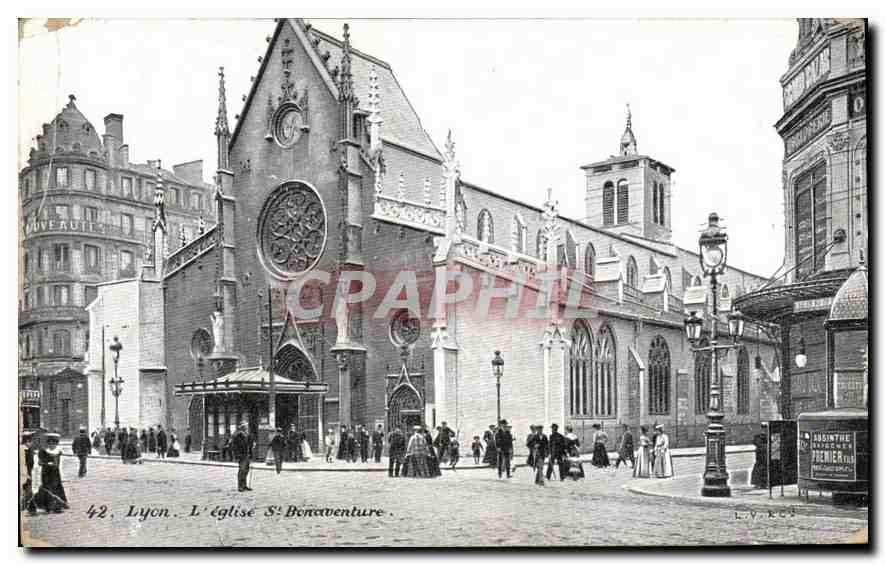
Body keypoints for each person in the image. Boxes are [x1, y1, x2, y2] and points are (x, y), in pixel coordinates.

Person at [34, 433, 68, 513]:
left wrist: (55, 465)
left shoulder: (58, 452)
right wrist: (47, 464)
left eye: (54, 443)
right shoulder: (42, 451)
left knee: (56, 488)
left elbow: (58, 463)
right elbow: (40, 462)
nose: (52, 445)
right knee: (47, 489)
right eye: (50, 443)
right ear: (48, 443)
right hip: (46, 473)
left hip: (55, 473)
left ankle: (57, 507)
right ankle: (48, 507)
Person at [232, 423, 253, 491]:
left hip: (247, 454)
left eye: (247, 427)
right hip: (242, 455)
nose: (247, 428)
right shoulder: (238, 435)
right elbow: (235, 447)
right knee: (242, 470)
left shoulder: (247, 435)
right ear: (242, 428)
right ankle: (240, 486)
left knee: (246, 470)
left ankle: (244, 485)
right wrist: (237, 455)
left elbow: (249, 445)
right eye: (245, 427)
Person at [21, 432, 37, 515]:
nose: (32, 442)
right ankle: (30, 508)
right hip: (24, 473)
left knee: (27, 490)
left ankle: (31, 508)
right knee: (28, 490)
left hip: (28, 472)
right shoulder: (23, 450)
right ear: (27, 440)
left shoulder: (29, 449)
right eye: (31, 440)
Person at [751, 424, 768, 488]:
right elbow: (757, 444)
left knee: (763, 468)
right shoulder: (758, 436)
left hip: (764, 454)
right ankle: (758, 483)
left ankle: (763, 483)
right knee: (759, 468)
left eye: (765, 429)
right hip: (760, 454)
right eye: (763, 428)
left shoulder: (766, 436)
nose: (764, 430)